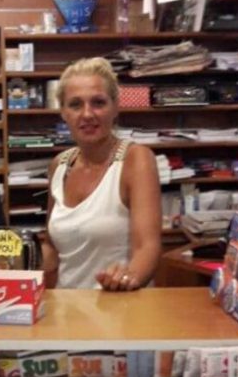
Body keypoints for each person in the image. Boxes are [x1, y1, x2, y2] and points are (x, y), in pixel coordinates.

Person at [41, 57, 162, 291]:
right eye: (75, 104)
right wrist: (14, 260)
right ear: (63, 112)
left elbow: (148, 248)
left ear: (115, 107)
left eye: (98, 102)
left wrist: (128, 277)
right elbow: (52, 248)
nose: (87, 114)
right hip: (67, 307)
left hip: (120, 306)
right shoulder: (60, 165)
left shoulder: (136, 160)